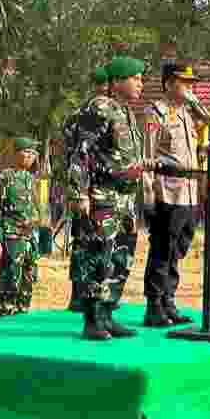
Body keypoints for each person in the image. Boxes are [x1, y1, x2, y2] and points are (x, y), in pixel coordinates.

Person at [67, 55, 148, 341]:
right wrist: (79, 192)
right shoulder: (99, 109)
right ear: (116, 82)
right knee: (97, 257)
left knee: (120, 257)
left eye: (140, 78)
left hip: (124, 198)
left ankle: (108, 315)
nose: (140, 83)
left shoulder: (124, 111)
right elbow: (81, 153)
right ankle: (92, 319)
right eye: (135, 78)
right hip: (101, 195)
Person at [141, 63, 207, 326]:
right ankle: (154, 305)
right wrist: (148, 195)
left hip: (188, 193)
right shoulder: (155, 113)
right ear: (168, 83)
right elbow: (148, 156)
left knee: (177, 251)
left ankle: (169, 302)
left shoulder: (188, 114)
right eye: (184, 82)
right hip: (167, 192)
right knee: (162, 250)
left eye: (192, 83)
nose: (190, 87)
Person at [61, 64, 110, 313]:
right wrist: (80, 190)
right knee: (87, 241)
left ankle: (81, 294)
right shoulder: (93, 113)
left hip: (84, 186)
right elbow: (80, 154)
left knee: (83, 241)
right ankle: (82, 295)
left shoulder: (78, 113)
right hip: (89, 187)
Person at [0, 138, 42, 317]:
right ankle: (3, 317)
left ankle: (22, 316)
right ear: (15, 154)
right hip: (11, 238)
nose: (29, 157)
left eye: (33, 154)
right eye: (26, 152)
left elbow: (36, 211)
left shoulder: (31, 179)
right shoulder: (3, 177)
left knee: (28, 281)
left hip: (29, 238)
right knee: (9, 280)